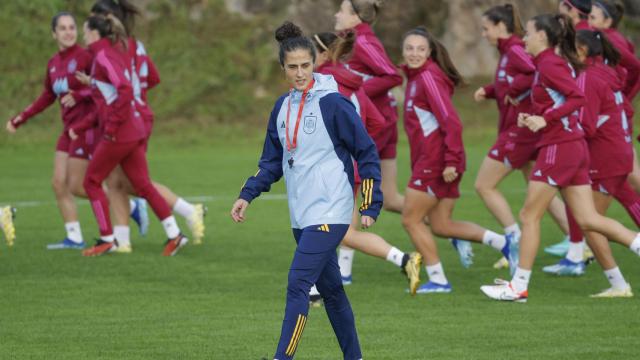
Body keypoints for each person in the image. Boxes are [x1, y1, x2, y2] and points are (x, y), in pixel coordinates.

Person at [231, 21, 381, 360]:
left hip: (332, 210)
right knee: (333, 292)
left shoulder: (334, 104)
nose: (300, 73)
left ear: (314, 64)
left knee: (298, 284)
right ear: (282, 68)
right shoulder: (281, 108)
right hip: (301, 214)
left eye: (306, 65)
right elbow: (270, 161)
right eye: (293, 67)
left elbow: (366, 151)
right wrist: (247, 194)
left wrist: (370, 203)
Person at [480, 14, 640, 302]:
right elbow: (562, 101)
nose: (524, 39)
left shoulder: (550, 64)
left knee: (530, 215)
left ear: (542, 36)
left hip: (560, 148)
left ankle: (518, 287)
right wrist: (537, 117)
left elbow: (575, 98)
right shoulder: (548, 64)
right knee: (588, 219)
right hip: (571, 147)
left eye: (528, 33)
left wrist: (546, 119)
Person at [400, 26, 518, 295]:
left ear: (430, 51)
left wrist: (451, 161)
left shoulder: (428, 78)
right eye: (409, 48)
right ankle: (504, 244)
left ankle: (439, 280)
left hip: (438, 162)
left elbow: (451, 121)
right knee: (442, 225)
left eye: (420, 49)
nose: (414, 53)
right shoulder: (417, 76)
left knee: (410, 219)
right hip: (435, 161)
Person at [88, 0, 206, 252]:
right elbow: (152, 77)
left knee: (127, 180)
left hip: (128, 119)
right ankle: (123, 240)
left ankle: (185, 210)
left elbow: (122, 86)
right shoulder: (134, 45)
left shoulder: (115, 48)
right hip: (138, 115)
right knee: (119, 180)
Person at [312, 31, 421, 291]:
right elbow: (375, 121)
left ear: (325, 54)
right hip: (351, 168)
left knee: (326, 228)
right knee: (338, 231)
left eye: (311, 53)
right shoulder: (352, 83)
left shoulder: (325, 82)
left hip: (336, 169)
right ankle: (402, 260)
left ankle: (315, 288)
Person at [72, 14, 187, 257]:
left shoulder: (103, 55)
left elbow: (124, 90)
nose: (83, 35)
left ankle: (106, 239)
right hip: (132, 130)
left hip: (121, 133)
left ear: (94, 33)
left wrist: (112, 129)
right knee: (143, 185)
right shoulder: (106, 55)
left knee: (91, 181)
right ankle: (175, 234)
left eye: (84, 30)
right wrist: (82, 123)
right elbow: (109, 93)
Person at [474, 3, 573, 268]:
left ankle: (513, 239)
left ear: (499, 26)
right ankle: (576, 243)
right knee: (539, 189)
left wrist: (513, 90)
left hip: (521, 131)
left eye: (486, 29)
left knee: (484, 184)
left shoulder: (517, 48)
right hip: (524, 128)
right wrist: (491, 89)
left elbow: (533, 72)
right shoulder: (509, 50)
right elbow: (517, 79)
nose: (484, 34)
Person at [542, 31, 640, 291]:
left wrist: (552, 123)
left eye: (566, 49)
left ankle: (619, 282)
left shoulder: (587, 78)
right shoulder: (606, 73)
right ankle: (617, 284)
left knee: (589, 221)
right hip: (616, 152)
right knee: (596, 217)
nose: (561, 54)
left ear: (582, 51)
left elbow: (586, 125)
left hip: (606, 156)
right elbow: (624, 111)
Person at [6, 12, 95, 250]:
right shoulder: (53, 63)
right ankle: (74, 237)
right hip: (69, 130)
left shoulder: (86, 56)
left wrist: (80, 94)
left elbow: (102, 87)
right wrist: (20, 118)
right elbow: (47, 96)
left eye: (72, 27)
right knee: (58, 183)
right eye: (63, 28)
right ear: (54, 33)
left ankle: (126, 206)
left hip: (87, 126)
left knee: (78, 185)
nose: (68, 32)